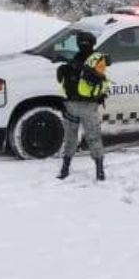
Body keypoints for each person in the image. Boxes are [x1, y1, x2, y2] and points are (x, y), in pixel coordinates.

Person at [55, 31, 110, 181]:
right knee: (88, 137)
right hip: (77, 104)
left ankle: (70, 169)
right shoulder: (91, 57)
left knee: (77, 138)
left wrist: (73, 67)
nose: (82, 45)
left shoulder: (95, 58)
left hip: (80, 104)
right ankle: (96, 170)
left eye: (82, 42)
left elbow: (97, 77)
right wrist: (67, 68)